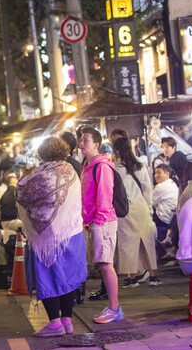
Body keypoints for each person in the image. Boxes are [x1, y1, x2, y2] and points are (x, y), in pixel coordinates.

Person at [18, 137, 87, 336]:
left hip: (46, 238)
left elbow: (23, 193)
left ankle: (55, 324)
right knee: (68, 278)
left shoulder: (41, 173)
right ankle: (67, 320)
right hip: (72, 232)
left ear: (43, 153)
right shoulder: (71, 170)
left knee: (47, 277)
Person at [80, 128, 123, 324]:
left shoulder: (102, 167)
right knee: (103, 265)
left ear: (96, 144)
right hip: (95, 221)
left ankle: (115, 308)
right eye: (81, 140)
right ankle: (113, 307)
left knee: (106, 265)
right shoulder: (87, 165)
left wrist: (96, 221)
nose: (81, 143)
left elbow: (104, 199)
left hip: (103, 221)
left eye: (86, 140)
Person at [111, 135, 160, 288]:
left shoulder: (116, 170)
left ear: (117, 152)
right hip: (142, 207)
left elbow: (116, 193)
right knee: (147, 242)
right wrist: (149, 208)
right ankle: (153, 276)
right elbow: (147, 190)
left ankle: (133, 278)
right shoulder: (140, 165)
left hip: (126, 210)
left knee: (128, 244)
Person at [152, 163, 178, 259]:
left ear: (167, 174)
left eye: (159, 173)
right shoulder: (172, 183)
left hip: (164, 219)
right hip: (172, 218)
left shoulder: (160, 187)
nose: (156, 175)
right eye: (155, 173)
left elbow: (150, 202)